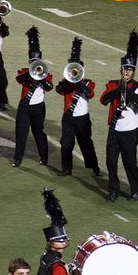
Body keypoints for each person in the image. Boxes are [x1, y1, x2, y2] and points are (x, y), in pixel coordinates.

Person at [100, 30, 138, 202]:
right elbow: (103, 100)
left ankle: (136, 189)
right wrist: (117, 90)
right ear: (121, 69)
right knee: (111, 162)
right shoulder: (113, 84)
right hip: (114, 129)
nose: (127, 72)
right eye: (125, 69)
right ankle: (113, 189)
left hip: (129, 131)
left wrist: (128, 93)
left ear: (133, 71)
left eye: (130, 70)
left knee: (130, 162)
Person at [55, 37, 100, 177]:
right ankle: (66, 169)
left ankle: (94, 167)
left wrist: (79, 83)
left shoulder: (87, 83)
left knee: (86, 143)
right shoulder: (66, 83)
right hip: (68, 117)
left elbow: (90, 94)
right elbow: (58, 90)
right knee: (66, 144)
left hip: (82, 118)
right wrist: (66, 82)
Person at [13, 27, 53, 168]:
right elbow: (19, 79)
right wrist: (31, 73)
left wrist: (41, 77)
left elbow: (49, 87)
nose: (34, 64)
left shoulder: (46, 73)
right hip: (24, 106)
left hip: (38, 107)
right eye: (32, 62)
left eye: (36, 62)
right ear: (29, 62)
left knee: (38, 132)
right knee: (21, 132)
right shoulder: (24, 72)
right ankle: (17, 159)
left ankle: (44, 157)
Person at [37, 189, 72, 275]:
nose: (63, 243)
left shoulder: (45, 257)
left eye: (63, 239)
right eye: (59, 240)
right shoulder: (58, 267)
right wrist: (66, 273)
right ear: (51, 242)